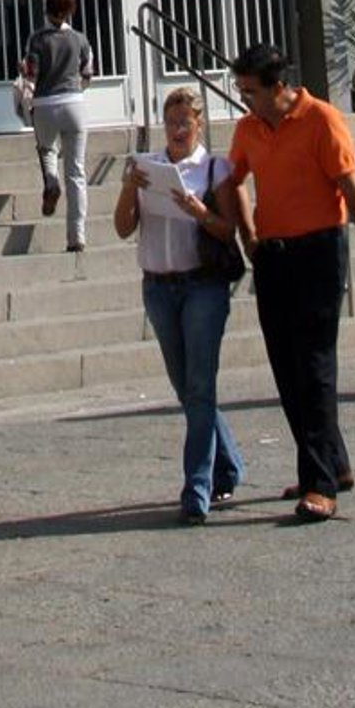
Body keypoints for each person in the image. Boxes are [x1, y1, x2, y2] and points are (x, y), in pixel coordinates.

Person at [216, 44, 355, 522]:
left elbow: (351, 187)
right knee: (286, 365)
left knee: (314, 364)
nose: (245, 100)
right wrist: (247, 235)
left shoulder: (322, 120)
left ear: (278, 87)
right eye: (241, 91)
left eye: (251, 92)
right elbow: (232, 180)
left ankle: (319, 483)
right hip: (273, 253)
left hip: (319, 249)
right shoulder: (248, 129)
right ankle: (333, 462)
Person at [115, 86, 246, 523]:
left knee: (201, 383)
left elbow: (228, 230)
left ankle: (197, 489)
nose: (176, 131)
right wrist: (128, 188)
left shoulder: (213, 168)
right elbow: (123, 227)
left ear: (199, 124)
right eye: (170, 123)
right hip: (158, 285)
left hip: (201, 285)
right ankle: (229, 463)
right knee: (185, 386)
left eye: (184, 123)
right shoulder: (149, 167)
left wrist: (198, 212)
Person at [20, 0, 95, 250]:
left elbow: (31, 74)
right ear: (70, 11)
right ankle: (77, 236)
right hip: (74, 104)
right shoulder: (80, 39)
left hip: (45, 104)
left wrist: (24, 75)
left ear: (46, 9)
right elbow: (88, 74)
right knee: (76, 172)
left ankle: (51, 182)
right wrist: (76, 89)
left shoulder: (37, 39)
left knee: (47, 149)